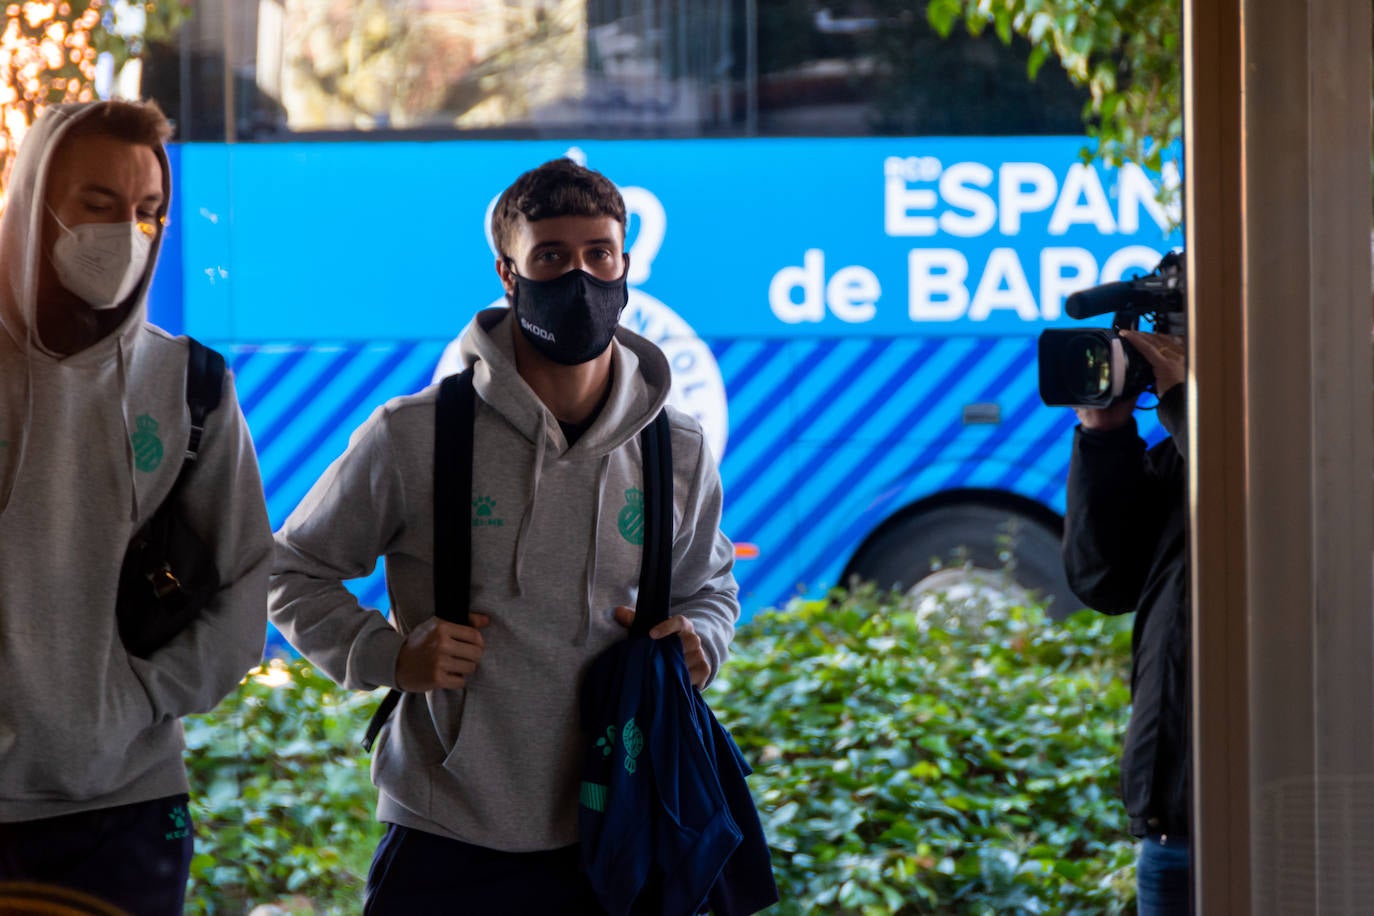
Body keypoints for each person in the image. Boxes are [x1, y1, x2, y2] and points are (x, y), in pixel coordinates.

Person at [269, 157, 740, 913]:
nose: (580, 278)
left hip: (618, 829)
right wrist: (390, 657)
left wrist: (701, 640)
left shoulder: (674, 448)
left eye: (600, 255)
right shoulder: (414, 435)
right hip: (447, 830)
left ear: (626, 266)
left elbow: (708, 587)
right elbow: (289, 571)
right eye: (551, 256)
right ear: (509, 274)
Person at [0, 101, 273, 913]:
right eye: (98, 205)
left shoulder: (190, 385)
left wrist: (143, 697)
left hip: (127, 808)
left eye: (148, 211)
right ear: (34, 200)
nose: (126, 232)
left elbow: (249, 578)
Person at [1062, 328, 1191, 915]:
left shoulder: (1310, 451)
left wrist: (1182, 402)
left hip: (1264, 821)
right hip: (1172, 822)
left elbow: (1262, 501)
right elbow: (1105, 581)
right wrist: (1104, 434)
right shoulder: (1185, 457)